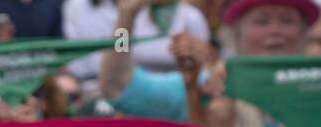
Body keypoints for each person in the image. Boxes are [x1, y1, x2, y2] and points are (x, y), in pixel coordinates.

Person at [62, 0, 211, 88]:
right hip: (134, 91)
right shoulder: (135, 15)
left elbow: (205, 65)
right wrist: (126, 15)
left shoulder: (192, 16)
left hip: (179, 92)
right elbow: (119, 51)